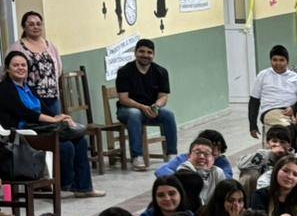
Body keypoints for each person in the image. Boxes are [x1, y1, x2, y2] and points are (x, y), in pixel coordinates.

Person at [0, 51, 100, 197]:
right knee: (65, 146)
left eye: (23, 65)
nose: (20, 68)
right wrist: (53, 120)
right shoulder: (4, 89)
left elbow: (46, 110)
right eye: (15, 65)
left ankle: (83, 188)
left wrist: (62, 117)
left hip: (40, 129)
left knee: (80, 141)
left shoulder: (29, 88)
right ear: (7, 69)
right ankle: (64, 186)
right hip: (22, 133)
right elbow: (25, 113)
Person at [114, 38, 178, 169]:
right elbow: (123, 99)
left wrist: (156, 106)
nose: (145, 55)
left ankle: (172, 155)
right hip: (127, 110)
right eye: (141, 51)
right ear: (135, 53)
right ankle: (137, 157)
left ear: (153, 55)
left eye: (149, 52)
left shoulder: (161, 72)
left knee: (168, 114)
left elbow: (163, 97)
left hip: (150, 110)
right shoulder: (124, 71)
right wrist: (141, 107)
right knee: (134, 113)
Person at [7, 11, 63, 115]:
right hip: (29, 100)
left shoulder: (51, 46)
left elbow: (58, 70)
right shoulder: (17, 47)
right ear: (24, 27)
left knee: (56, 128)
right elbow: (7, 72)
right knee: (36, 129)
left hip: (52, 99)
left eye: (38, 24)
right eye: (31, 24)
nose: (35, 27)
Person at [248, 44, 297, 138]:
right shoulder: (263, 75)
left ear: (287, 61)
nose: (278, 63)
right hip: (271, 111)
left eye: (281, 60)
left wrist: (293, 108)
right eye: (274, 60)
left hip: (293, 111)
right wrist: (252, 125)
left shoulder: (295, 77)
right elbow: (254, 101)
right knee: (285, 128)